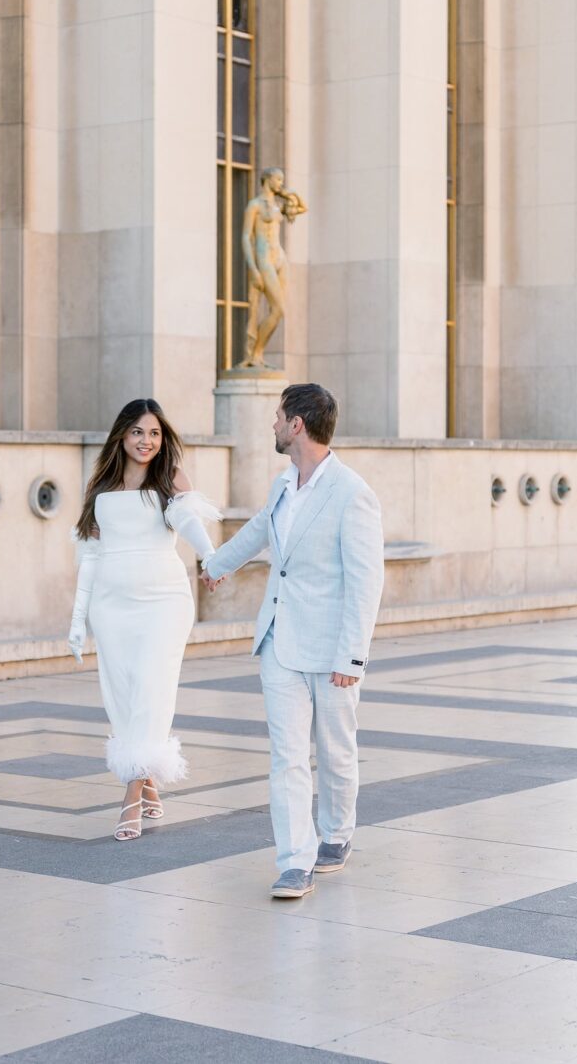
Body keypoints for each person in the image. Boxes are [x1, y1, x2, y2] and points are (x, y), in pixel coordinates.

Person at [201, 383, 384, 898]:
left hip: (330, 649)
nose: (273, 425)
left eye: (278, 417)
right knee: (286, 757)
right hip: (279, 642)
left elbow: (366, 581)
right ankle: (293, 861)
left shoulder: (353, 493)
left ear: (297, 424)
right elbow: (260, 530)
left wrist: (352, 654)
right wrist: (216, 566)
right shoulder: (284, 484)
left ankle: (338, 832)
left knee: (335, 750)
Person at [68, 399, 221, 841]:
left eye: (154, 433)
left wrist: (211, 557)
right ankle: (149, 782)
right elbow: (90, 556)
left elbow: (188, 521)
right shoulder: (100, 485)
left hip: (164, 602)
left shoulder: (170, 478)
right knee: (123, 694)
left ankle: (131, 795)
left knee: (152, 691)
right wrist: (78, 619)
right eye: (138, 432)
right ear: (122, 434)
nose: (147, 441)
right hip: (111, 605)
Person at [240, 167, 307, 369]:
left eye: (281, 180)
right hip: (264, 257)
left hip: (280, 257)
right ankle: (255, 353)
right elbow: (245, 236)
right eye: (278, 180)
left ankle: (258, 354)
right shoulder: (255, 205)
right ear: (267, 179)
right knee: (278, 309)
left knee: (277, 309)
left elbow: (303, 208)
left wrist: (289, 193)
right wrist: (252, 268)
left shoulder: (278, 205)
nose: (280, 183)